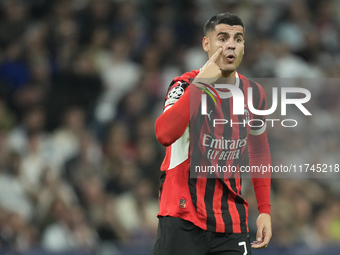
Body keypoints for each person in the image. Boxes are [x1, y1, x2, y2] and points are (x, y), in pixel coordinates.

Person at [153, 12, 272, 255]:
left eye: (238, 39)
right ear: (206, 44)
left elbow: (259, 152)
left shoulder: (255, 94)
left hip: (232, 221)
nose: (231, 44)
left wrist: (265, 210)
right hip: (183, 216)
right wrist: (201, 84)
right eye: (223, 38)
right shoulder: (184, 84)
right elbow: (164, 133)